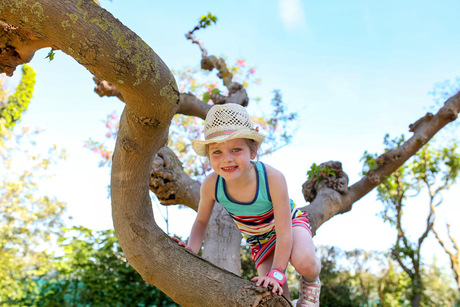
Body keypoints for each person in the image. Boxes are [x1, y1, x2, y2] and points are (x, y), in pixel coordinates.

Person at [172, 103, 321, 306]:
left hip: (289, 226)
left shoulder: (272, 178)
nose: (227, 159)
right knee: (276, 298)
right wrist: (191, 249)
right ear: (208, 155)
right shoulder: (211, 185)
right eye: (217, 152)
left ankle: (311, 288)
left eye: (236, 149)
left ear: (252, 150)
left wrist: (278, 271)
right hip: (259, 240)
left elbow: (284, 232)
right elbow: (201, 222)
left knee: (305, 262)